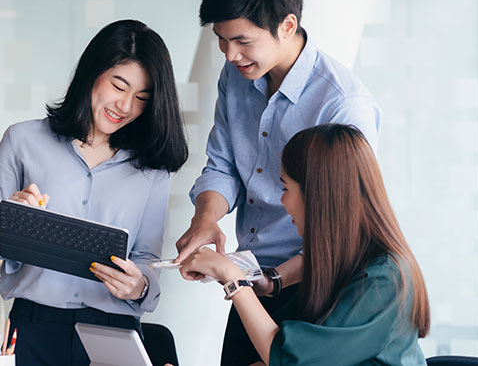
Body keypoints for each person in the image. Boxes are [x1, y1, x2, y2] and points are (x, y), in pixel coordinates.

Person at [174, 0, 382, 365]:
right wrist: (206, 219)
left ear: (287, 26)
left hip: (318, 289)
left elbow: (348, 231)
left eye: (242, 41)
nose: (230, 55)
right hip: (250, 280)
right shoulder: (236, 77)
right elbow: (223, 165)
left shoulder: (342, 103)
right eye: (222, 40)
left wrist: (264, 280)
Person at [0, 19, 188, 366]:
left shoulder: (152, 168)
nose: (126, 106)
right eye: (119, 86)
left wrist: (139, 287)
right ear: (92, 73)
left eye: (141, 98)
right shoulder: (23, 141)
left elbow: (147, 258)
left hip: (114, 330)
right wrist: (13, 227)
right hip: (33, 326)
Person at [180, 124, 430, 366]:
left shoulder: (382, 279)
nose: (283, 202)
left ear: (318, 195)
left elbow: (289, 358)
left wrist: (233, 279)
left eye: (286, 188)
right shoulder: (346, 261)